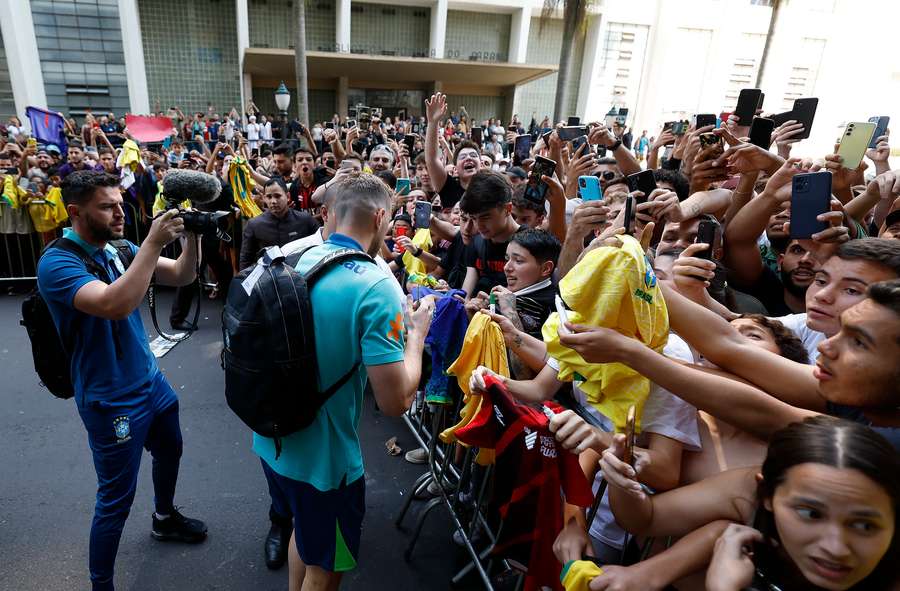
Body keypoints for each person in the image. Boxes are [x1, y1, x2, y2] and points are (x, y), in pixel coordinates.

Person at [252, 173, 435, 591]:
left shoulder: (291, 257)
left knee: (306, 530)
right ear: (382, 217)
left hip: (273, 436)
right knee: (326, 569)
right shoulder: (375, 286)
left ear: (331, 214)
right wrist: (418, 335)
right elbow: (395, 402)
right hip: (326, 460)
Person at [36, 171, 206, 591]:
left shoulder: (121, 247)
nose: (119, 213)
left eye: (120, 202)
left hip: (150, 381)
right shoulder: (58, 261)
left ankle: (164, 519)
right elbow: (114, 303)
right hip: (110, 399)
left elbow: (183, 275)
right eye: (107, 206)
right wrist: (151, 242)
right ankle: (102, 585)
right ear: (75, 212)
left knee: (171, 449)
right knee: (115, 500)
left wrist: (193, 231)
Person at [601, 416, 898, 591]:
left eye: (864, 525)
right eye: (810, 513)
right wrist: (621, 479)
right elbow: (647, 519)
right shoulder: (746, 494)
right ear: (766, 494)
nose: (836, 547)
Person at [459, 170, 522, 296]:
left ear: (507, 209)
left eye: (485, 217)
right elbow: (465, 295)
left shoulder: (530, 244)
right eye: (474, 218)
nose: (478, 225)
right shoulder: (476, 242)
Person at [239, 177, 319, 270]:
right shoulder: (254, 225)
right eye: (269, 197)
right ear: (264, 198)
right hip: (268, 279)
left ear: (288, 196)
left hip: (301, 274)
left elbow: (320, 248)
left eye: (277, 196)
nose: (273, 201)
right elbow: (245, 260)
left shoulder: (305, 220)